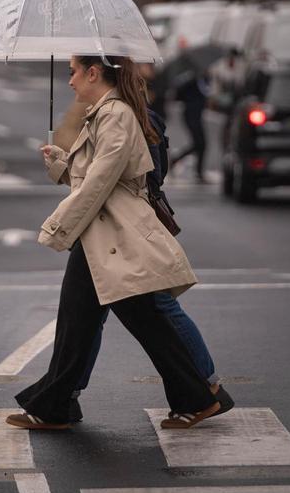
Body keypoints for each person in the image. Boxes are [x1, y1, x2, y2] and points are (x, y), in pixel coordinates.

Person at [7, 55, 224, 431]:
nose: (71, 80)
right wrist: (61, 163)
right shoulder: (104, 112)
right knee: (80, 320)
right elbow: (96, 176)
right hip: (102, 234)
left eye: (74, 71)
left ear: (94, 72)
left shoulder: (115, 114)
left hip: (115, 235)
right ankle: (56, 405)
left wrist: (57, 226)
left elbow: (100, 183)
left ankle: (197, 396)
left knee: (146, 320)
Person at [68, 105, 233, 423]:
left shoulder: (127, 116)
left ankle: (207, 386)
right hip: (109, 230)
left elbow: (136, 178)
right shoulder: (120, 113)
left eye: (75, 70)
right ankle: (66, 393)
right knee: (91, 314)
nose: (71, 79)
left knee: (158, 305)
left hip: (124, 231)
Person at [169, 69, 210, 181]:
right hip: (190, 115)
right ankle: (198, 173)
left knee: (199, 144)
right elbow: (178, 93)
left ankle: (176, 160)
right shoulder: (191, 80)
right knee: (201, 143)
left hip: (197, 115)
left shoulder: (205, 80)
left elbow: (206, 93)